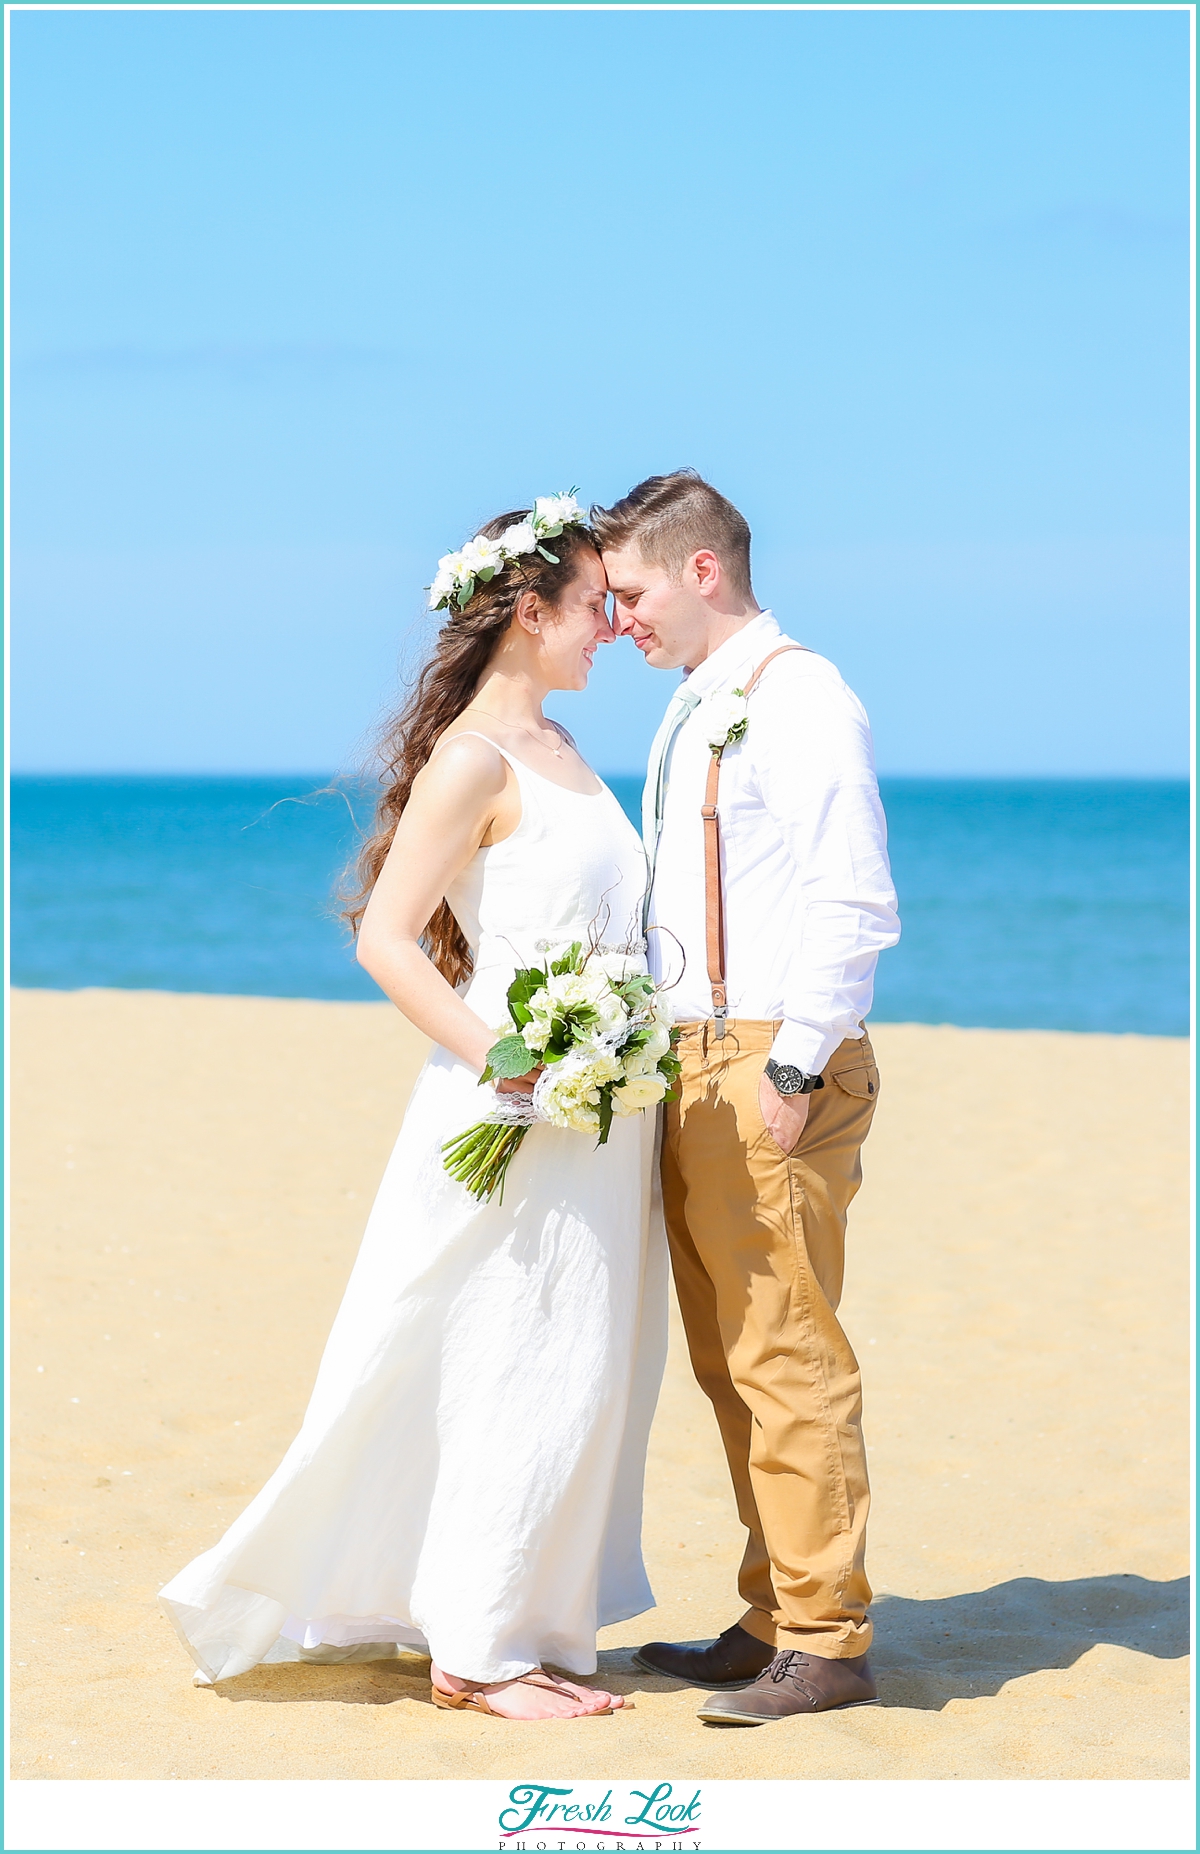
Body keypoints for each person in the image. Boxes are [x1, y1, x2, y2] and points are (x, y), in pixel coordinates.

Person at [160, 496, 668, 1722]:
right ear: (527, 611)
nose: (610, 624)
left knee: (576, 1363)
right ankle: (481, 1650)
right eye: (594, 604)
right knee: (504, 1353)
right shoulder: (475, 760)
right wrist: (516, 1063)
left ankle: (506, 1619)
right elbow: (389, 941)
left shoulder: (565, 750)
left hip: (600, 1114)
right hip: (517, 1105)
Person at [593, 470, 900, 1726]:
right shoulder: (696, 703)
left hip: (768, 1053)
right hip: (689, 1054)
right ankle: (776, 1610)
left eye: (631, 591)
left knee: (784, 1348)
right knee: (731, 1359)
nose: (618, 621)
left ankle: (827, 1637)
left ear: (702, 570)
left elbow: (853, 895)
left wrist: (794, 1061)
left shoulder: (802, 694)